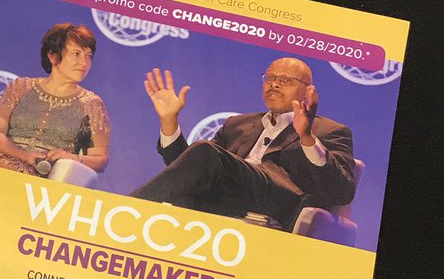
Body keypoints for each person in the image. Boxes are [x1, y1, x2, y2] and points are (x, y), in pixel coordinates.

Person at [131, 58, 356, 227]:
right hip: (225, 199)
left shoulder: (329, 131)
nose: (275, 85)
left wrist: (307, 137)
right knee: (195, 172)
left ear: (308, 91)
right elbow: (190, 169)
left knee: (205, 151)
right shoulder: (237, 124)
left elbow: (341, 192)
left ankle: (129, 209)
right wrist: (169, 121)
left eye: (286, 80)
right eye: (270, 78)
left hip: (277, 203)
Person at [0, 23, 111, 176]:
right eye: (76, 54)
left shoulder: (92, 104)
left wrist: (73, 158)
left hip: (42, 175)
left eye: (88, 56)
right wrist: (23, 156)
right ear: (53, 56)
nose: (84, 63)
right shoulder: (20, 87)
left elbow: (100, 159)